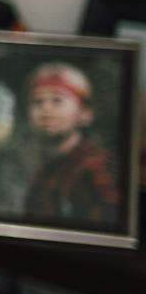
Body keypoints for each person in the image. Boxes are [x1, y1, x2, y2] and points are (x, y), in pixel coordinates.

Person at [21, 63, 122, 228]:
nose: (45, 108)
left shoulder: (97, 169)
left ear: (85, 114)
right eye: (38, 102)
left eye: (57, 100)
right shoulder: (41, 175)